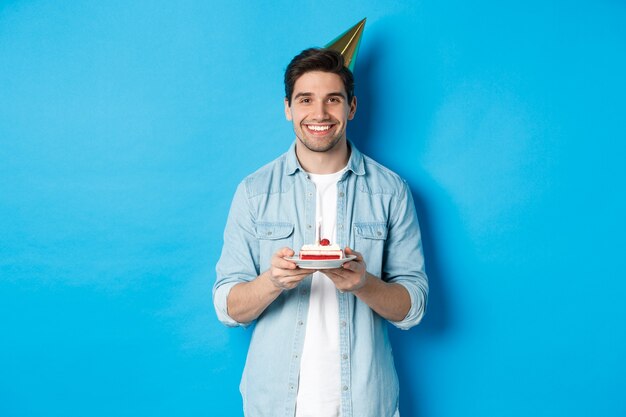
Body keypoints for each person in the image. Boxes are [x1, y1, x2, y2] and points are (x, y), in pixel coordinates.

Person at [214, 47, 428, 417]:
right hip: (273, 404)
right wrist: (274, 280)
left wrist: (363, 283)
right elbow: (228, 308)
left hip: (365, 403)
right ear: (288, 108)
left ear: (352, 107)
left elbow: (413, 307)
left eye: (333, 99)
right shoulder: (254, 191)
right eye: (305, 100)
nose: (319, 114)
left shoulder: (391, 191)